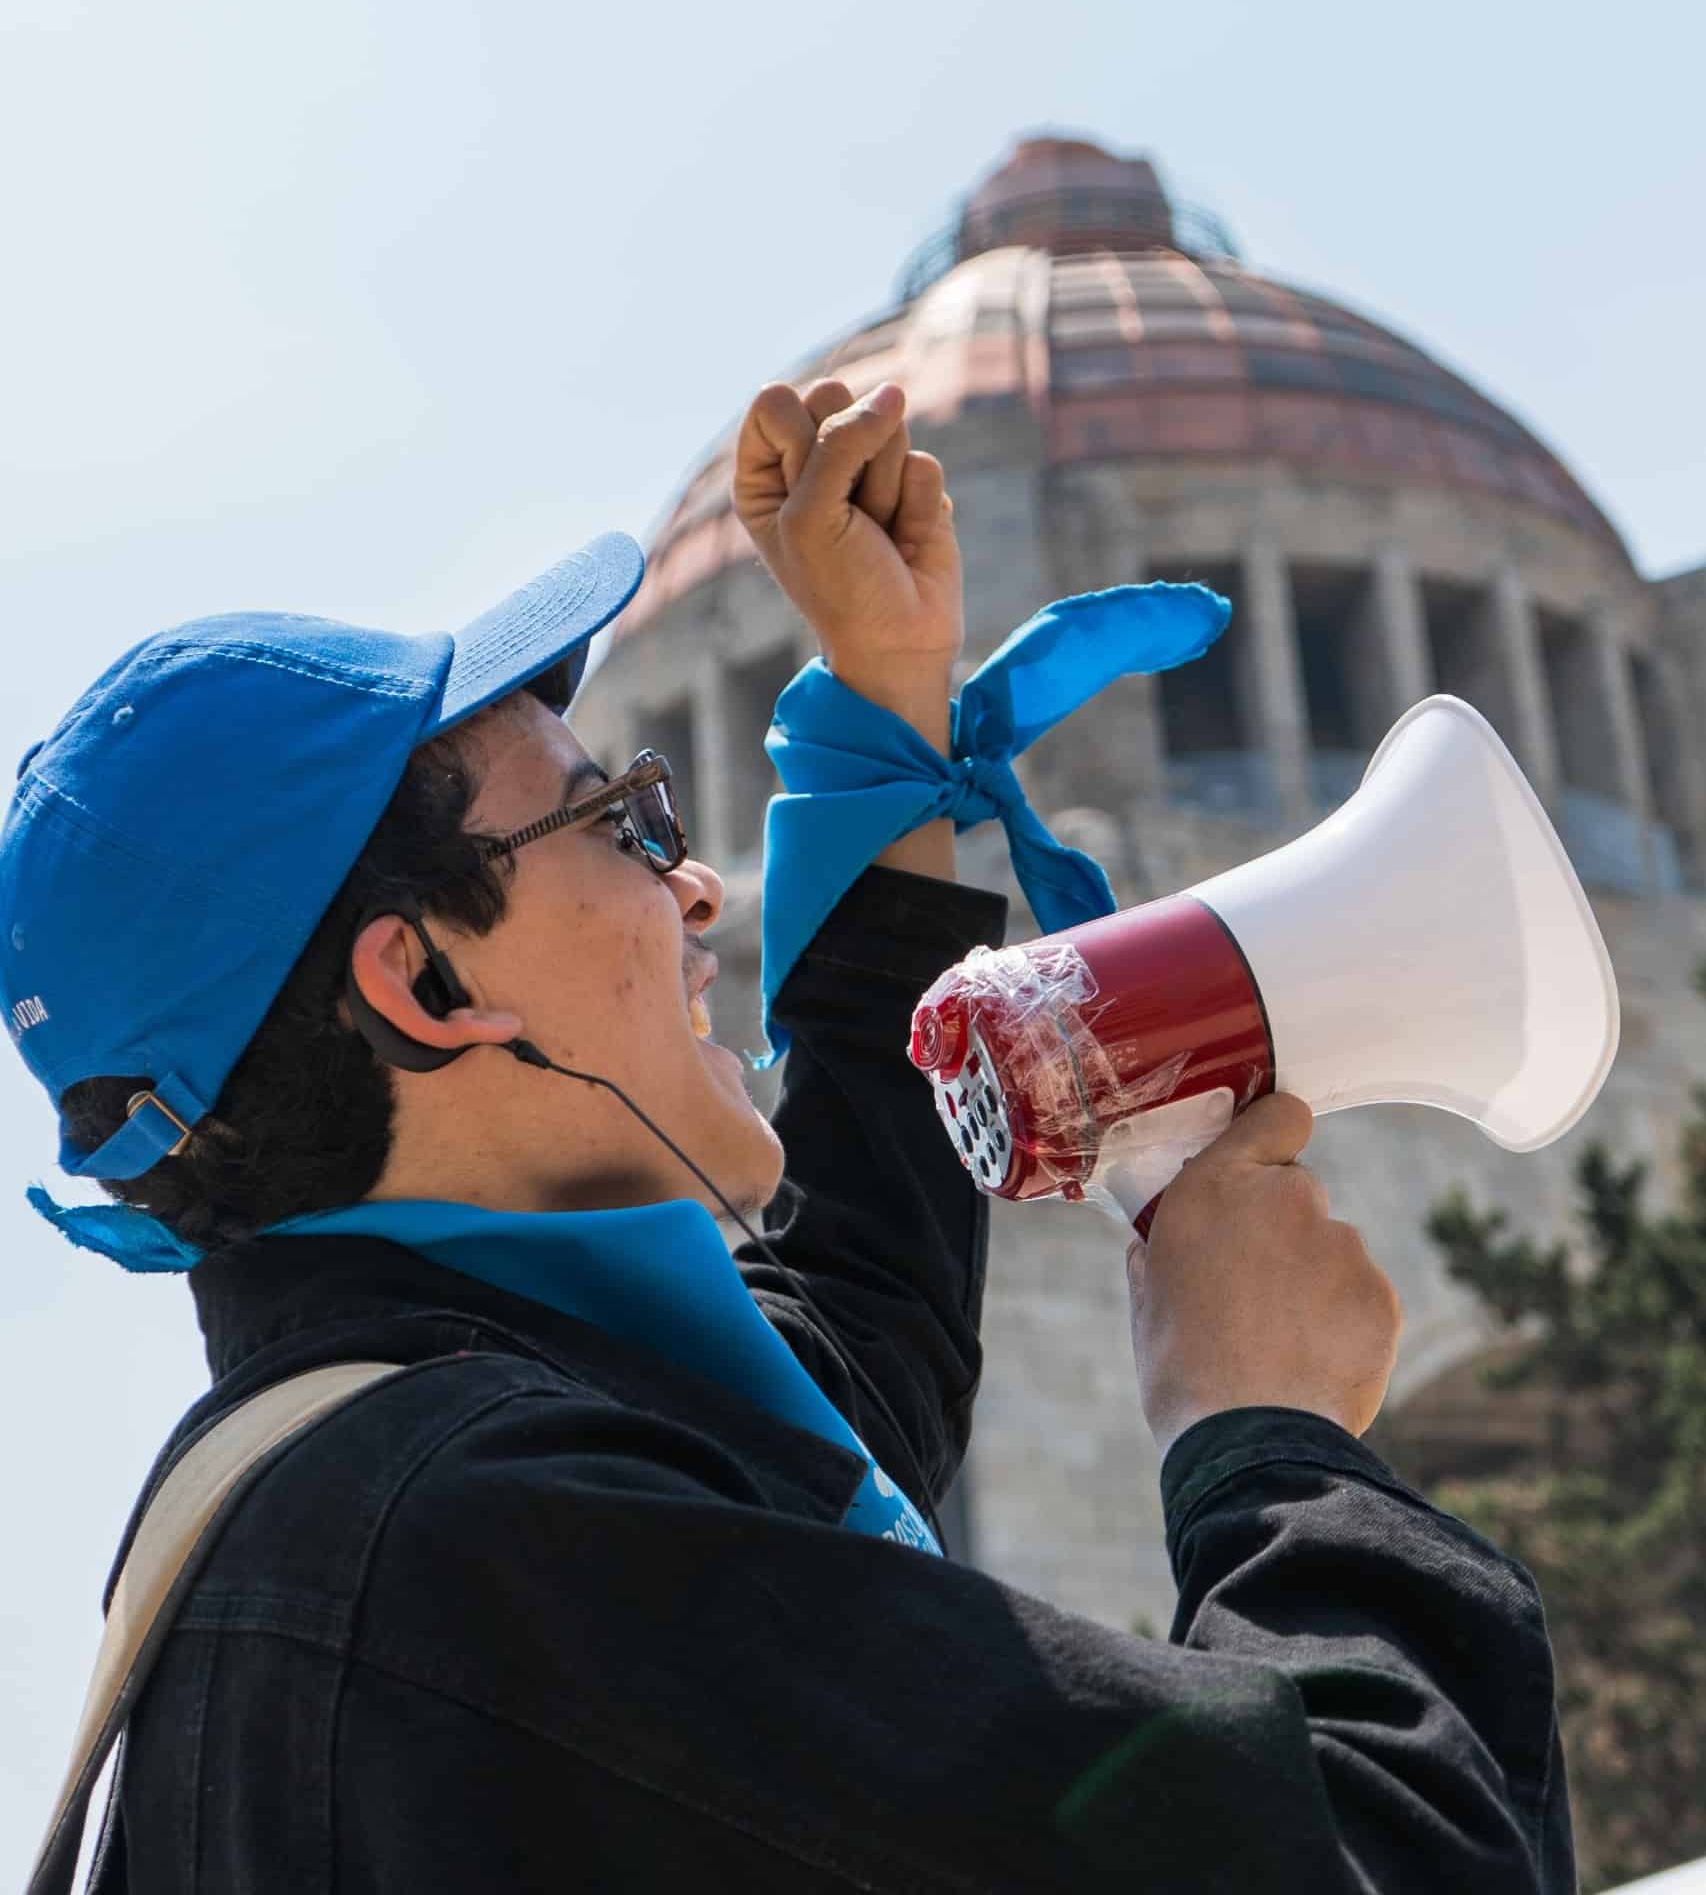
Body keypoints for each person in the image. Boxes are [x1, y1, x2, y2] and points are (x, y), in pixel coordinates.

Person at [5, 379, 1572, 1891]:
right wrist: (1269, 1442)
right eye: (620, 824)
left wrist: (885, 703)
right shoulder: (498, 1550)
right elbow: (1394, 1858)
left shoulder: (413, 1479)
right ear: (422, 979)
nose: (694, 890)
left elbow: (839, 1358)